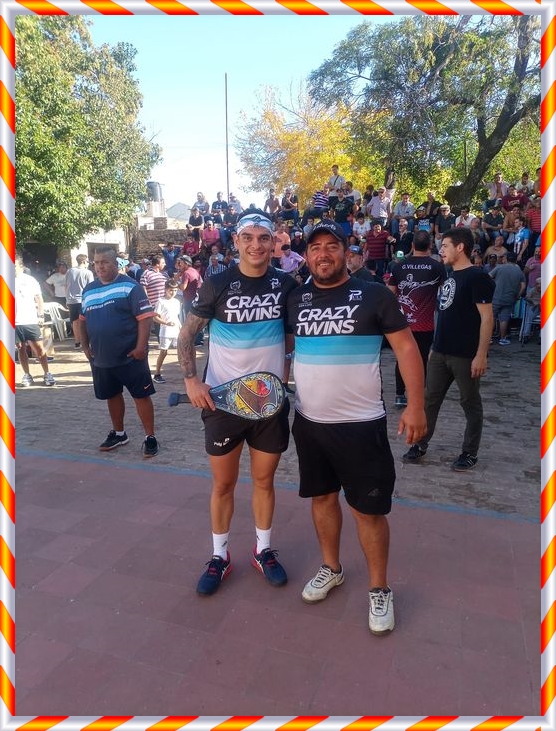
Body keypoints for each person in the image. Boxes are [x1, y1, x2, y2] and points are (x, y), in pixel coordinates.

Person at [286, 219, 426, 635]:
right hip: (309, 423)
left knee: (368, 512)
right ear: (306, 255)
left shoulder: (374, 294)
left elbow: (407, 348)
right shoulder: (296, 298)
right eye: (315, 247)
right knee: (322, 498)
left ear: (348, 253)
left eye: (332, 246)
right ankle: (332, 568)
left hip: (362, 426)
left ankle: (380, 589)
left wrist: (416, 406)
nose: (323, 254)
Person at [177, 210, 297, 596]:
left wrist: (283, 373)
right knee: (224, 484)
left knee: (264, 481)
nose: (256, 245)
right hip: (223, 404)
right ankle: (220, 556)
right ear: (236, 242)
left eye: (263, 238)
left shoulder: (286, 284)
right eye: (248, 237)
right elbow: (186, 335)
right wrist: (191, 380)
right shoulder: (217, 284)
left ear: (273, 243)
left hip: (268, 405)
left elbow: (291, 334)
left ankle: (263, 551)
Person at [403, 227, 494, 472]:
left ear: (460, 247)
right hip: (440, 351)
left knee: (470, 403)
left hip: (465, 354)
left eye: (445, 246)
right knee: (429, 400)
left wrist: (481, 354)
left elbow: (487, 318)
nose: (440, 250)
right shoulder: (450, 275)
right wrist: (435, 346)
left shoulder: (477, 277)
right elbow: (444, 313)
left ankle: (470, 452)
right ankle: (420, 444)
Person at [80, 246, 159, 458]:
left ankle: (150, 437)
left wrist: (140, 347)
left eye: (104, 262)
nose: (99, 267)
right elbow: (82, 320)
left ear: (116, 264)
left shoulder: (130, 286)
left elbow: (145, 318)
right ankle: (119, 433)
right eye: (96, 262)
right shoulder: (88, 290)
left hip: (130, 356)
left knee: (141, 396)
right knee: (112, 395)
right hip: (102, 357)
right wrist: (85, 346)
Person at [388, 230, 446, 408]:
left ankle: (399, 394)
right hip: (425, 325)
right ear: (430, 246)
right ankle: (418, 394)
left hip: (402, 324)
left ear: (412, 246)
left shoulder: (399, 266)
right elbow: (446, 292)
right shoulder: (437, 267)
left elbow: (390, 293)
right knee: (421, 358)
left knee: (402, 358)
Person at [15, 255, 56, 387]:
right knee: (20, 348)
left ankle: (47, 373)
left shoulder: (30, 280)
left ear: (21, 266)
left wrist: (41, 315)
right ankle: (27, 374)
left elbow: (39, 298)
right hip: (14, 321)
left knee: (39, 348)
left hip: (30, 319)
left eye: (14, 266)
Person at [489, 251, 526, 346]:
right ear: (515, 260)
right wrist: (518, 295)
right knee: (504, 318)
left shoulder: (499, 267)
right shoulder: (519, 271)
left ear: (506, 258)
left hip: (496, 297)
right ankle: (502, 339)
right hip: (510, 298)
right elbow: (523, 286)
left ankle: (489, 338)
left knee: (492, 317)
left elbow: (488, 277)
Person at [152, 280, 181, 383]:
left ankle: (188, 374)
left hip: (176, 329)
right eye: (171, 290)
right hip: (165, 331)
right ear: (166, 290)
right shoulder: (161, 301)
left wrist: (181, 327)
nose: (173, 292)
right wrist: (166, 323)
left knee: (182, 351)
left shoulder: (177, 302)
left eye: (175, 290)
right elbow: (155, 317)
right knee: (164, 352)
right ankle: (157, 373)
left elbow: (176, 316)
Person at [65, 254, 94, 349]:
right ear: (84, 261)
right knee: (87, 320)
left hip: (71, 299)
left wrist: (67, 299)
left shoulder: (70, 271)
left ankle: (77, 342)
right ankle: (87, 342)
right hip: (84, 299)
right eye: (88, 261)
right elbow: (90, 287)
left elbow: (66, 285)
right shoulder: (88, 272)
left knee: (75, 321)